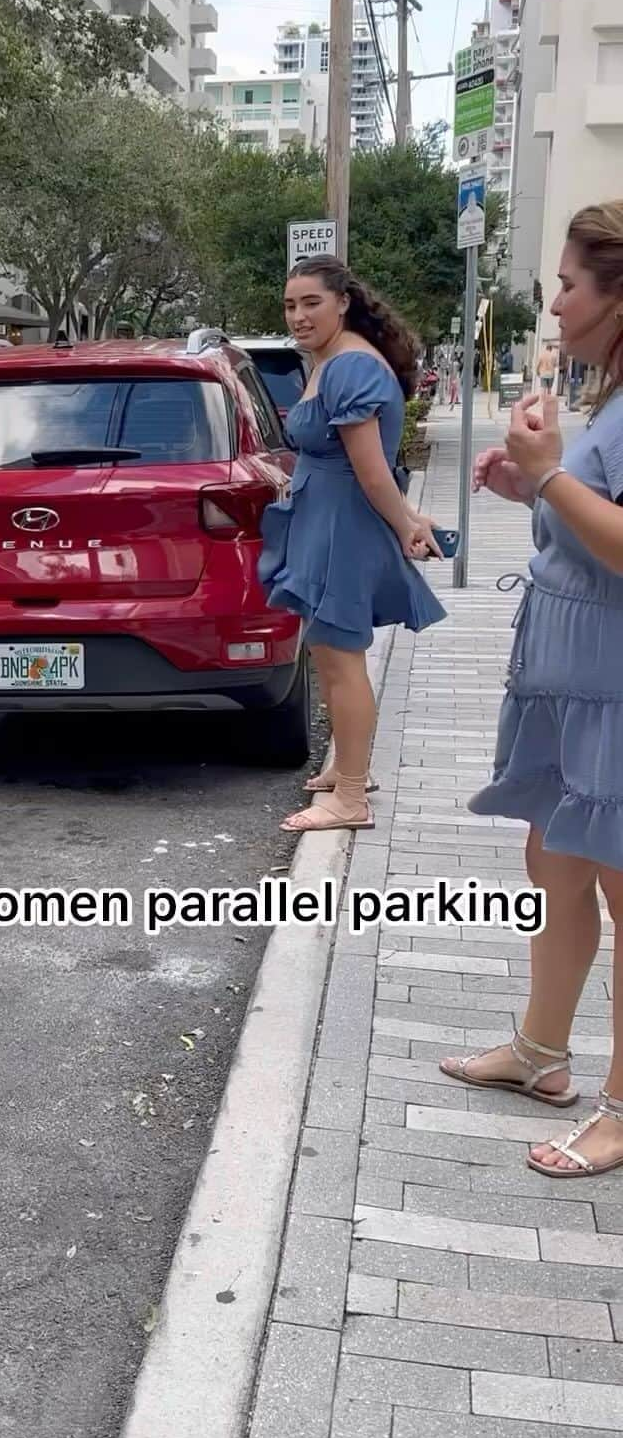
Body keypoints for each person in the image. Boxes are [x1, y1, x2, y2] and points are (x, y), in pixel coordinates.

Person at [440, 200, 623, 1179]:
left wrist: (550, 480)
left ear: (616, 297)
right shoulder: (607, 401)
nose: (553, 298)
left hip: (615, 692)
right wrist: (534, 486)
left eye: (566, 282)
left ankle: (622, 1108)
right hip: (571, 684)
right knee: (554, 866)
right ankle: (541, 1054)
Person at [258, 257, 445, 835]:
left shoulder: (350, 368)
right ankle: (348, 768)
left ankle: (351, 796)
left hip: (343, 527)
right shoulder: (334, 360)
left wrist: (404, 523)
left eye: (311, 302)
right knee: (331, 657)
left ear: (343, 301)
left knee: (341, 661)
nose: (298, 316)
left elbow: (371, 471)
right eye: (290, 305)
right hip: (326, 520)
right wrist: (409, 515)